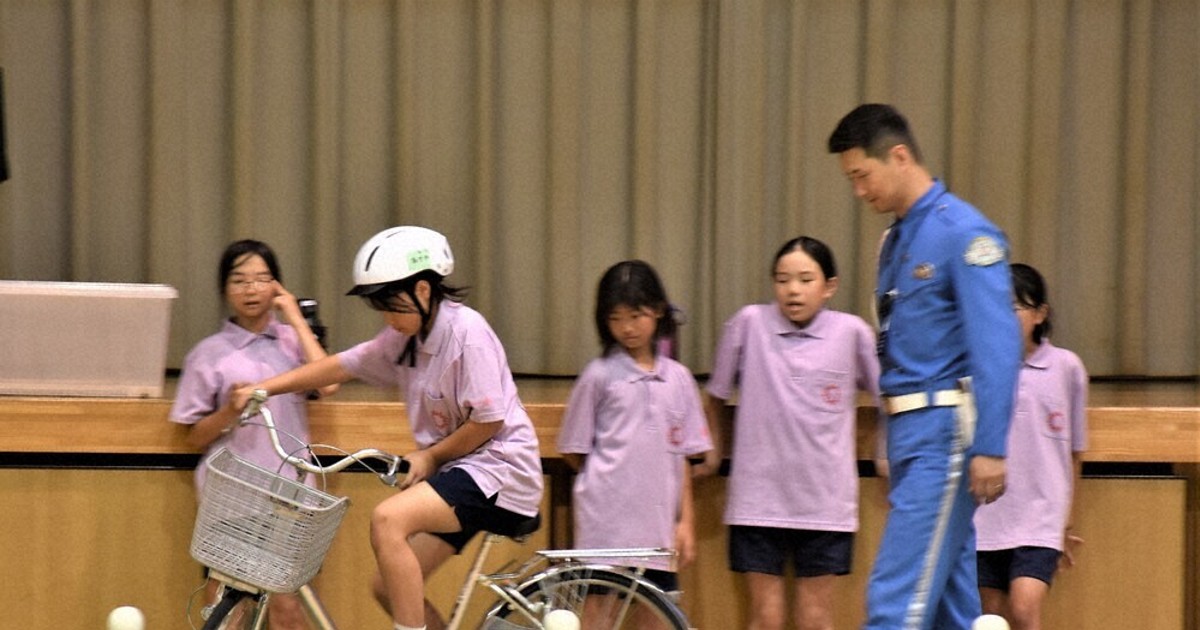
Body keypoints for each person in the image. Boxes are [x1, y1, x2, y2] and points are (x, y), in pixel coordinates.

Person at [232, 226, 543, 630]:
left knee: (388, 520)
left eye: (393, 305)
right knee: (387, 586)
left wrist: (430, 455)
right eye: (381, 308)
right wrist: (264, 387)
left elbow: (490, 420)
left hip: (501, 473)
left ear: (424, 291)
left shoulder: (468, 333)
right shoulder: (405, 338)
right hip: (462, 475)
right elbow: (341, 365)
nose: (388, 318)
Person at [827, 103, 1022, 629]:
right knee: (948, 606)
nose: (858, 192)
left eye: (862, 176)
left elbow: (997, 347)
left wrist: (990, 445)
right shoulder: (897, 238)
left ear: (899, 156)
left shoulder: (964, 233)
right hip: (912, 433)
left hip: (945, 434)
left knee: (896, 602)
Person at [701, 236, 880, 630]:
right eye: (782, 280)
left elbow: (890, 399)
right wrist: (711, 450)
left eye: (804, 279)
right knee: (766, 617)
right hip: (758, 500)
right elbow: (714, 396)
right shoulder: (748, 323)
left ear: (829, 286)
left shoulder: (852, 332)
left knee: (816, 619)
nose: (793, 290)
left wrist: (884, 451)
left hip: (825, 503)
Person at [170, 239, 339, 629]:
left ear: (277, 287)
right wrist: (229, 411)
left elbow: (329, 383)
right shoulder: (208, 353)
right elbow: (194, 437)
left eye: (262, 279)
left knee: (287, 607)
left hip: (291, 492)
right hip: (233, 495)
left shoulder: (294, 343)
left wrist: (294, 315)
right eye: (240, 280)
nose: (250, 289)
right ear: (224, 289)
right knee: (226, 606)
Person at [556, 260, 713, 623]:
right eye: (616, 318)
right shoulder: (598, 376)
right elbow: (573, 451)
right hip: (604, 527)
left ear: (658, 310)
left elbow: (683, 459)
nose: (626, 328)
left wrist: (685, 522)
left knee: (655, 615)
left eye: (636, 315)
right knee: (599, 613)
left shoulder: (680, 380)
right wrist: (609, 482)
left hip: (656, 529)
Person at [973, 263, 1088, 630]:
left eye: (1014, 307)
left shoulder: (1066, 368)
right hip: (984, 516)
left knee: (1024, 609)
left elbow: (1075, 453)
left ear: (1040, 314)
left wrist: (1067, 520)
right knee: (989, 618)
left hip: (1040, 517)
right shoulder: (976, 367)